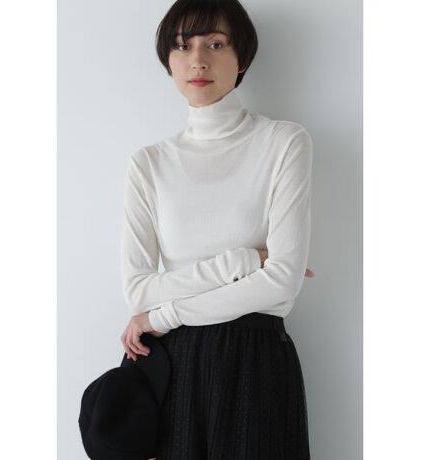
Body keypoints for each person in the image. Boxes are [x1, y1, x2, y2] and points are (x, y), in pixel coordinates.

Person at [120, 0, 314, 458]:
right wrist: (249, 260)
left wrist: (163, 316)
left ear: (241, 57)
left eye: (215, 44)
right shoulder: (148, 164)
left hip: (256, 362)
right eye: (182, 46)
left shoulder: (284, 143)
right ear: (168, 61)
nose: (198, 60)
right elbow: (139, 291)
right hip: (174, 368)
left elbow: (281, 284)